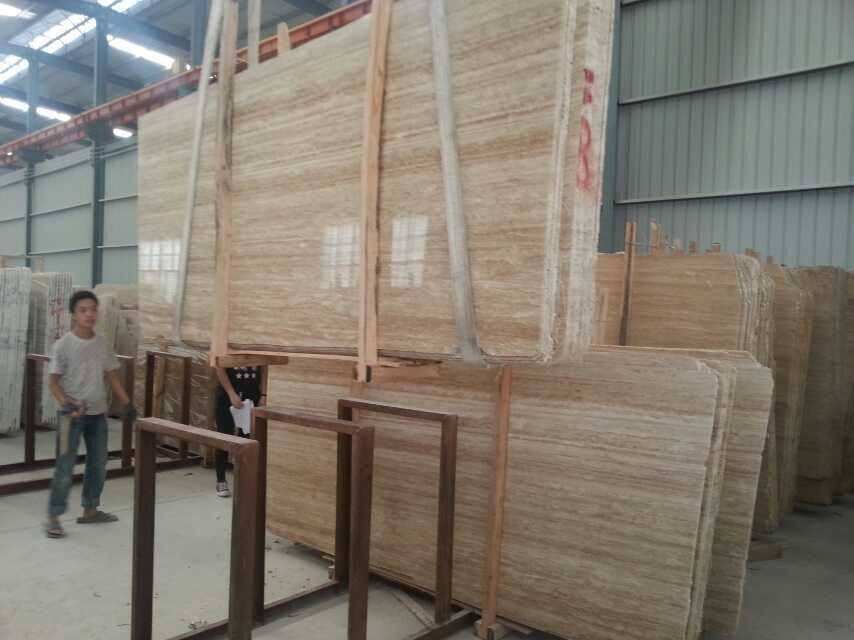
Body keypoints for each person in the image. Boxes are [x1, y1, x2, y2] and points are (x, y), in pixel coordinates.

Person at [45, 290, 136, 539]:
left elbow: (112, 375)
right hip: (70, 417)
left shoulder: (102, 343)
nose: (89, 314)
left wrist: (127, 403)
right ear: (73, 314)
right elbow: (53, 382)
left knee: (97, 463)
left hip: (97, 415)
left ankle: (90, 510)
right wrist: (66, 403)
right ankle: (54, 517)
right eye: (83, 310)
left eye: (93, 309)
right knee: (65, 466)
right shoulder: (63, 345)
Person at [214, 365, 263, 497]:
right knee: (224, 435)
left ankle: (244, 481)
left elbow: (264, 367)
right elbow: (219, 367)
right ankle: (221, 480)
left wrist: (263, 393)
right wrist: (231, 393)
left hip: (251, 393)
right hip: (228, 394)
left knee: (247, 438)